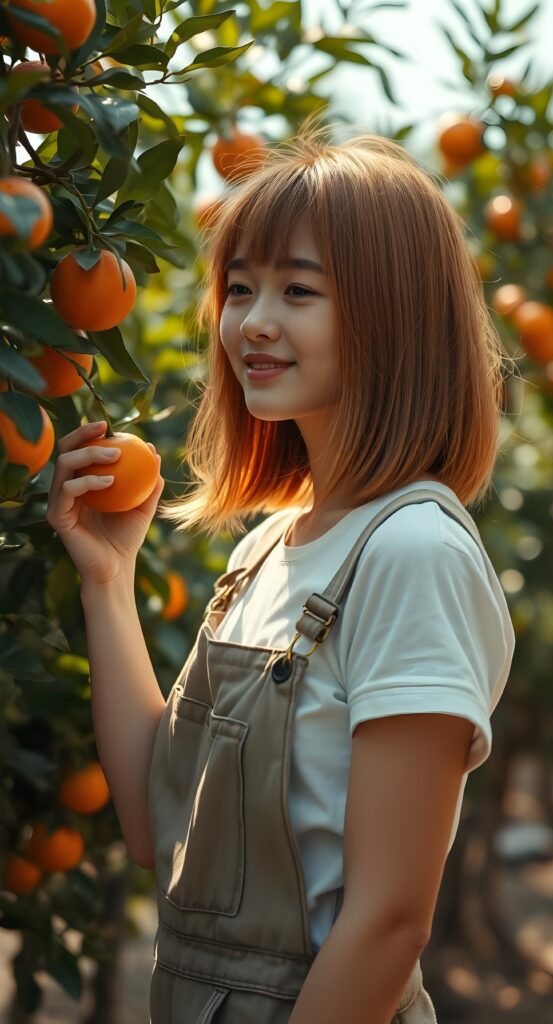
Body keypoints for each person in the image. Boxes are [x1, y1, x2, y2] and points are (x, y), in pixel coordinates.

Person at [46, 114, 516, 1024]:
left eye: (298, 290)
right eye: (239, 288)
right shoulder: (268, 547)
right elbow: (158, 826)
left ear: (395, 315)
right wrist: (108, 580)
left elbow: (387, 924)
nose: (252, 322)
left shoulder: (411, 555)